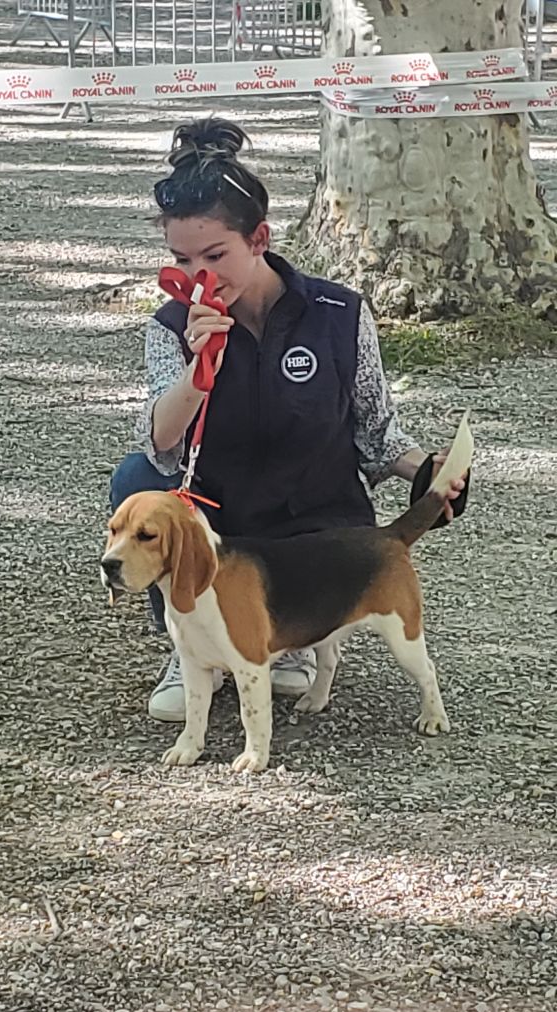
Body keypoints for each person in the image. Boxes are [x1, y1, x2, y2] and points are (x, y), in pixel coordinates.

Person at [110, 117, 466, 723]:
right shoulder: (170, 326)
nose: (201, 277)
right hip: (226, 524)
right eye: (182, 259)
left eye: (216, 254)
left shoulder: (338, 314)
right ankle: (192, 638)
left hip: (313, 521)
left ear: (259, 239)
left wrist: (429, 469)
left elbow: (376, 433)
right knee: (134, 481)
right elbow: (162, 445)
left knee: (302, 579)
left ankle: (291, 640)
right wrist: (200, 370)